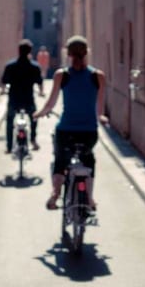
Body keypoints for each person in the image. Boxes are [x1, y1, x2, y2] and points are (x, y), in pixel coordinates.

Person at [34, 35, 108, 210]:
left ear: (68, 53)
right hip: (89, 131)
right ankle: (89, 199)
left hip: (66, 130)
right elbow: (100, 109)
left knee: (60, 160)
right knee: (88, 160)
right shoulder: (98, 76)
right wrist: (101, 118)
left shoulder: (62, 75)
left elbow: (50, 104)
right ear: (86, 52)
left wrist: (38, 114)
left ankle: (55, 194)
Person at [1, 39, 44, 153]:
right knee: (34, 118)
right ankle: (33, 140)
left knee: (10, 121)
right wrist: (41, 92)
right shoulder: (34, 67)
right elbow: (40, 82)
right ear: (30, 51)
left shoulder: (10, 66)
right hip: (28, 99)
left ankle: (9, 146)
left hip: (14, 99)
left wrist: (3, 90)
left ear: (18, 51)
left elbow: (4, 81)